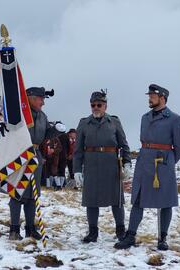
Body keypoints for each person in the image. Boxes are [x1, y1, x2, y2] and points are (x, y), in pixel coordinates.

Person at [114, 84, 180, 251]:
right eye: (149, 95)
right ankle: (130, 236)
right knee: (138, 200)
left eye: (152, 95)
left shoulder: (175, 119)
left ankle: (162, 238)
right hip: (144, 163)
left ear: (162, 97)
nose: (149, 98)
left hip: (163, 165)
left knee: (166, 202)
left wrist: (168, 163)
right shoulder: (144, 117)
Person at [73, 90, 131, 243]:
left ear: (105, 106)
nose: (96, 107)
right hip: (91, 165)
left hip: (111, 166)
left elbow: (124, 145)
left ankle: (120, 230)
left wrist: (127, 163)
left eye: (99, 105)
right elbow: (78, 150)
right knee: (91, 200)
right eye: (93, 105)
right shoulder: (83, 123)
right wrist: (77, 170)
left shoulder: (114, 122)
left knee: (116, 200)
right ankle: (93, 232)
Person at [9, 87, 66, 240]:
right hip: (19, 156)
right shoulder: (18, 114)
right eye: (41, 99)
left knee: (32, 195)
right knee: (17, 194)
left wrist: (57, 130)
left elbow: (46, 134)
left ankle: (30, 229)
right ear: (31, 98)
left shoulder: (42, 116)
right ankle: (14, 230)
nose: (43, 103)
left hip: (35, 156)